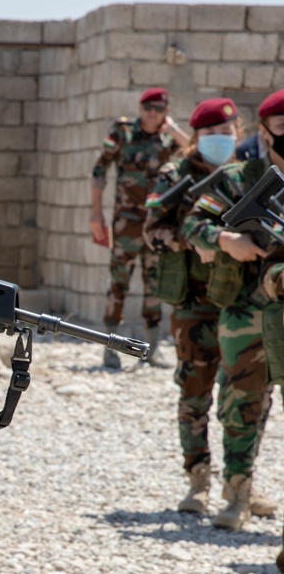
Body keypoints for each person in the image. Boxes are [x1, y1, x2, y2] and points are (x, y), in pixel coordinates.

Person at [181, 89, 284, 535]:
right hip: (247, 311)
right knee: (243, 402)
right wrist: (227, 241)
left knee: (260, 406)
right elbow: (193, 223)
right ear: (264, 130)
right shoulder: (240, 178)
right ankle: (237, 491)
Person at [144, 99, 239, 514]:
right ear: (196, 137)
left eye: (228, 132)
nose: (221, 140)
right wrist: (194, 240)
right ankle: (198, 479)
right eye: (212, 134)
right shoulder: (175, 175)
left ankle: (240, 484)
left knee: (245, 396)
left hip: (242, 299)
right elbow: (152, 232)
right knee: (195, 391)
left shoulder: (248, 175)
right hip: (195, 302)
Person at [92, 87, 188, 368]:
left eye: (159, 109)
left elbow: (195, 151)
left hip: (157, 224)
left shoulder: (169, 138)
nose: (152, 114)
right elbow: (99, 169)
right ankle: (109, 348)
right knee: (118, 284)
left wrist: (174, 129)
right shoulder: (123, 132)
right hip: (126, 224)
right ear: (140, 108)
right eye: (148, 108)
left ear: (165, 113)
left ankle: (152, 349)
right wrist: (95, 212)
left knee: (155, 286)